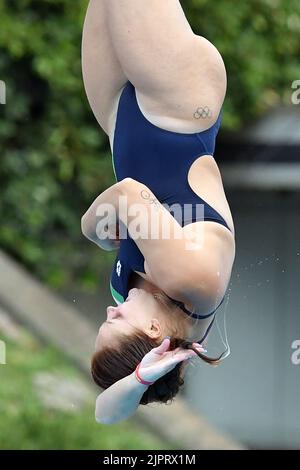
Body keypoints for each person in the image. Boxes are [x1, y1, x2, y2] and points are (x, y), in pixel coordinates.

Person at [81, 0, 236, 424]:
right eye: (114, 322)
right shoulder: (192, 282)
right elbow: (128, 195)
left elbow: (105, 413)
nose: (110, 310)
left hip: (119, 116)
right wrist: (91, 229)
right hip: (177, 102)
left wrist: (138, 379)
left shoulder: (134, 296)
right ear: (153, 334)